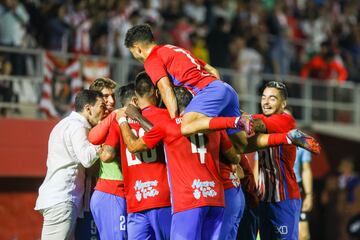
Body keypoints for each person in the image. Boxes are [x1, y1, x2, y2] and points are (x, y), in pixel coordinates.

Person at [124, 24, 253, 153]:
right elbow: (212, 70)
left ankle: (237, 121)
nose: (135, 56)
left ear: (137, 49)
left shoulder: (152, 60)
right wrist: (221, 97)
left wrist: (175, 122)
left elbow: (166, 90)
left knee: (186, 128)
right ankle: (264, 129)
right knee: (241, 146)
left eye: (132, 52)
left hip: (208, 91)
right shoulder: (173, 49)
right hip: (224, 88)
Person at [34, 90, 105, 240]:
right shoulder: (77, 126)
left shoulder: (63, 124)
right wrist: (103, 144)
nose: (103, 111)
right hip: (62, 198)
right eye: (101, 106)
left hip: (59, 197)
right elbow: (86, 158)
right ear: (88, 108)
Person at [115, 76, 172, 239]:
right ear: (156, 92)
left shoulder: (119, 119)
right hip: (163, 198)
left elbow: (96, 141)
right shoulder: (166, 116)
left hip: (136, 199)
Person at [253, 81, 302, 240]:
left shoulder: (286, 120)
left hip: (284, 199)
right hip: (264, 198)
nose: (265, 102)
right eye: (263, 97)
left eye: (272, 98)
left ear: (283, 103)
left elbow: (257, 123)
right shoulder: (259, 121)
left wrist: (237, 119)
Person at [85, 77, 127, 240]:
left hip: (110, 193)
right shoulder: (93, 126)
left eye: (113, 96)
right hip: (109, 193)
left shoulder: (114, 121)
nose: (111, 101)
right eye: (105, 96)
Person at [294, 147, 313, 240]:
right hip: (276, 187)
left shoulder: (301, 138)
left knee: (303, 235)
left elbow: (306, 169)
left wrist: (309, 195)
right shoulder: (270, 135)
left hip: (297, 187)